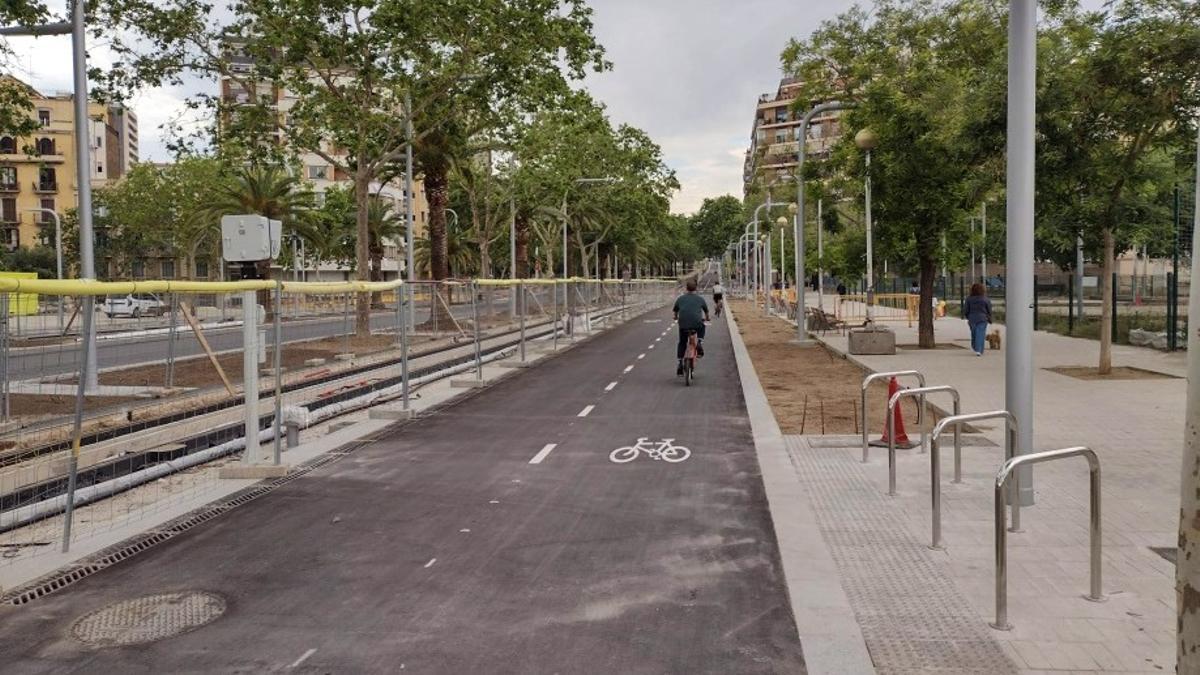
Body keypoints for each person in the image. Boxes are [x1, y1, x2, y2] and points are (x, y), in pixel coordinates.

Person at [673, 278, 710, 375]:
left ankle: (680, 363)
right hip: (696, 324)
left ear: (686, 288)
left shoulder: (680, 298)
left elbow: (675, 311)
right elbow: (706, 311)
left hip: (683, 324)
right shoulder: (700, 299)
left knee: (682, 342)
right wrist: (707, 318)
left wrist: (675, 317)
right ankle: (700, 342)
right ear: (696, 288)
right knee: (702, 326)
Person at [964, 282, 992, 356]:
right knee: (980, 333)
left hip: (972, 318)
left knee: (974, 333)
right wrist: (989, 316)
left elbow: (966, 309)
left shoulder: (969, 299)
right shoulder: (985, 299)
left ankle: (976, 347)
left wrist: (967, 316)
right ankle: (979, 349)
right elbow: (989, 309)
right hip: (983, 318)